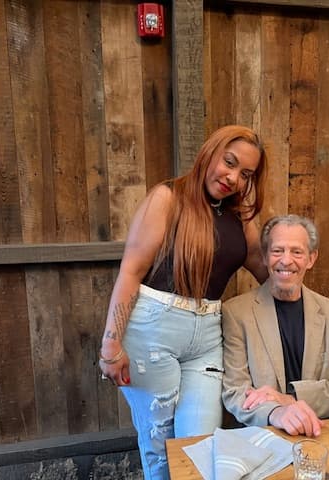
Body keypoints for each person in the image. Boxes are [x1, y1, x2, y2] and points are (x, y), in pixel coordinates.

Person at [98, 125, 269, 480]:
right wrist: (110, 345)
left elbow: (266, 269)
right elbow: (131, 271)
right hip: (152, 333)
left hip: (207, 339)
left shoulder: (239, 217)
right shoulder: (167, 198)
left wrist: (295, 267)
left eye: (245, 174)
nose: (233, 178)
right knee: (160, 448)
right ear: (210, 152)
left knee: (201, 446)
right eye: (229, 162)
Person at [221, 214, 329, 437]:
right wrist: (276, 412)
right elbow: (235, 392)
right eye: (277, 251)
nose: (286, 260)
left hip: (320, 432)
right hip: (264, 435)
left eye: (297, 252)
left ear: (311, 259)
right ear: (265, 257)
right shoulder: (236, 313)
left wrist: (290, 398)